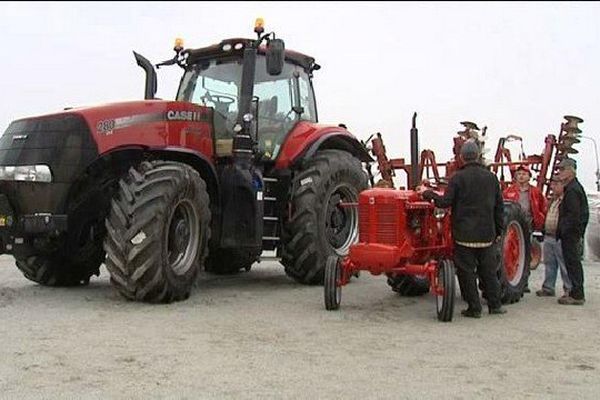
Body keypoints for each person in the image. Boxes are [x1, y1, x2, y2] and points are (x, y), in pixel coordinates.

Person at [419, 140, 506, 318]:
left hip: (464, 234)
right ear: (478, 156)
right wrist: (498, 231)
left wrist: (426, 193)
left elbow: (444, 203)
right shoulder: (491, 178)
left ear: (461, 157)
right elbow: (499, 207)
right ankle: (495, 305)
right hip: (486, 233)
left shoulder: (457, 178)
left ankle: (474, 308)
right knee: (488, 271)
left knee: (466, 273)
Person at [503, 164, 548, 292]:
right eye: (519, 174)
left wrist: (541, 221)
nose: (521, 176)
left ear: (529, 177)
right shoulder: (508, 191)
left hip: (528, 224)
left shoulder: (535, 192)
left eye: (524, 174)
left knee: (525, 253)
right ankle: (511, 277)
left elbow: (542, 207)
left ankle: (524, 282)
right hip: (512, 226)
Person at [556, 158, 589, 305]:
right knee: (571, 262)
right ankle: (576, 292)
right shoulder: (572, 188)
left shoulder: (573, 190)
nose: (560, 172)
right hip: (572, 232)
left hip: (571, 234)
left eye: (562, 169)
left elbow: (573, 215)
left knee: (572, 262)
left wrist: (565, 230)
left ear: (571, 171)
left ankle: (577, 294)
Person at [536, 175, 572, 298]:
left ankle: (568, 289)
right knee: (549, 263)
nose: (553, 187)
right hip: (549, 235)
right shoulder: (552, 200)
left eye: (556, 184)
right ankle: (548, 287)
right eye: (552, 184)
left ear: (563, 186)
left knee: (564, 264)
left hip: (559, 236)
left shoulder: (566, 200)